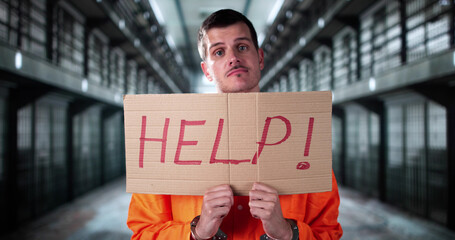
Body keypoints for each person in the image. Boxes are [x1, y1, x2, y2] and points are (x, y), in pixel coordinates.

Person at [127, 9, 342, 240]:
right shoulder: (167, 142)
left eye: (241, 47)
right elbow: (143, 232)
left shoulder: (303, 141)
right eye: (219, 52)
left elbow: (327, 232)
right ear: (206, 71)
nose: (233, 58)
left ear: (259, 57)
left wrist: (287, 232)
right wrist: (196, 233)